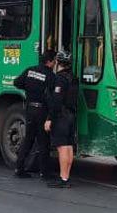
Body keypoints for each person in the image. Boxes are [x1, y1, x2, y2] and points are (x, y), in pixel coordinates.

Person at [12, 49, 56, 178]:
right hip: (42, 111)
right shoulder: (50, 76)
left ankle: (19, 169)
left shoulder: (30, 70)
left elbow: (17, 83)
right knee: (43, 143)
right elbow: (51, 96)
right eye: (54, 61)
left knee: (28, 140)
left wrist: (29, 89)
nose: (55, 63)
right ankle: (44, 172)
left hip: (30, 109)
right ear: (49, 62)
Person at [45, 51, 78, 188]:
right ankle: (66, 177)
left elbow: (56, 101)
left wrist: (49, 119)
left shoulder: (59, 79)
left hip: (61, 116)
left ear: (58, 63)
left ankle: (63, 179)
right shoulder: (73, 78)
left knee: (62, 148)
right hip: (71, 115)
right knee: (69, 147)